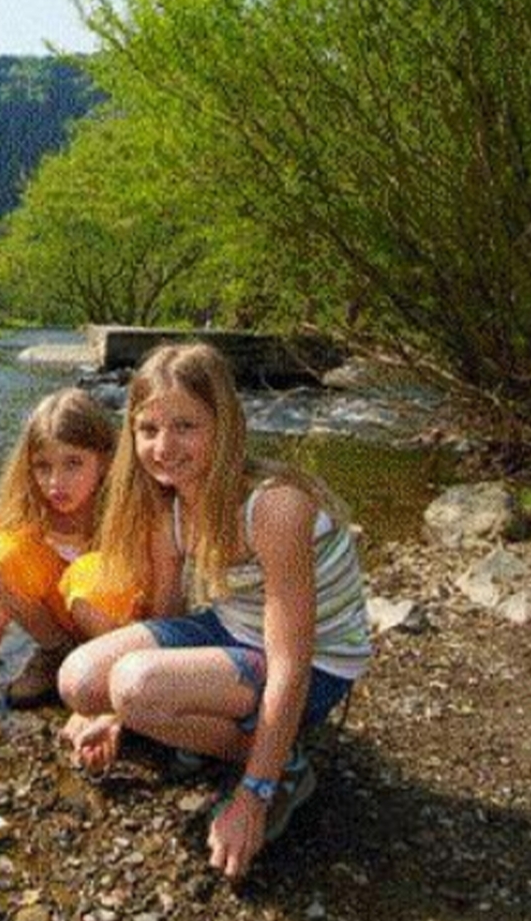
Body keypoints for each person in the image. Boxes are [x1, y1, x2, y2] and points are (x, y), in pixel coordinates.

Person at [56, 343, 372, 880]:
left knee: (135, 686)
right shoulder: (170, 502)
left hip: (315, 663)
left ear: (223, 426)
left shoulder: (273, 508)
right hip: (234, 631)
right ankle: (219, 733)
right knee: (82, 679)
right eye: (148, 428)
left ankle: (283, 766)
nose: (164, 446)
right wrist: (113, 712)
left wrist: (253, 795)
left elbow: (291, 660)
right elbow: (166, 617)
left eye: (185, 426)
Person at [0, 388, 137, 726]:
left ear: (104, 461)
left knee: (87, 574)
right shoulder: (35, 513)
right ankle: (57, 654)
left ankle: (101, 683)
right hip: (65, 632)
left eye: (73, 464)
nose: (55, 482)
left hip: (119, 636)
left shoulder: (123, 511)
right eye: (42, 466)